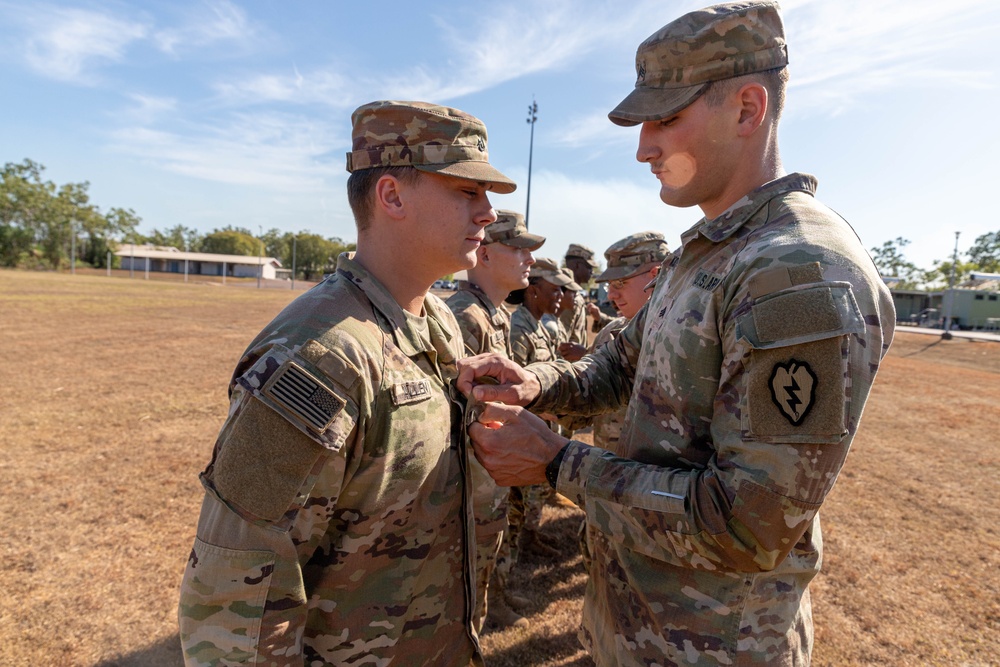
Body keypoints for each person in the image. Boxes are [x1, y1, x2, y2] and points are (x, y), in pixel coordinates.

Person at [458, 3, 896, 665]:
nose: (643, 147)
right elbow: (618, 369)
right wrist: (537, 382)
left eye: (666, 117)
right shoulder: (709, 252)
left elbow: (746, 526)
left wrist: (556, 463)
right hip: (639, 631)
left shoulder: (798, 272)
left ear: (748, 108)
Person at [178, 100, 516, 667]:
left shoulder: (435, 323)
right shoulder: (317, 358)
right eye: (466, 192)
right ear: (392, 196)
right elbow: (235, 601)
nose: (487, 213)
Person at [446, 209, 544, 631]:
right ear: (483, 254)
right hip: (467, 479)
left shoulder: (493, 314)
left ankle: (490, 603)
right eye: (518, 248)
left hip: (487, 475)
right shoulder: (467, 317)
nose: (530, 259)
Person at [562, 231, 669, 453]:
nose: (611, 295)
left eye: (619, 283)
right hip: (609, 471)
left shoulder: (690, 336)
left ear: (655, 275)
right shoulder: (611, 332)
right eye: (610, 284)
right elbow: (587, 403)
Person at [505, 257, 573, 561]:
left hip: (545, 425)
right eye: (553, 289)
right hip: (529, 426)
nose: (559, 295)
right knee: (525, 492)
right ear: (533, 290)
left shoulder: (539, 326)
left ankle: (529, 536)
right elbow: (514, 386)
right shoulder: (519, 327)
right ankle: (522, 542)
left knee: (538, 487)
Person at [559, 243, 599, 347]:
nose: (591, 272)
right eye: (589, 267)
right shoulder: (566, 297)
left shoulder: (575, 294)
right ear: (577, 265)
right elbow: (560, 342)